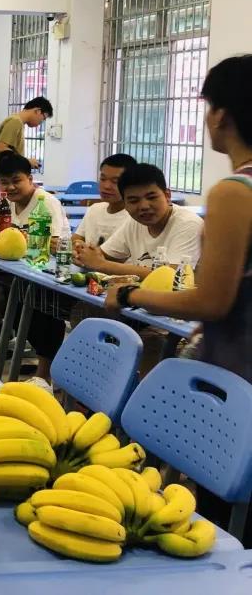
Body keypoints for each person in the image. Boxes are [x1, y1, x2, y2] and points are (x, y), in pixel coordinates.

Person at [103, 56, 252, 546]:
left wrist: (131, 294)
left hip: (239, 376)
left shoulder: (235, 191)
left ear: (221, 115)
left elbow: (213, 301)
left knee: (222, 523)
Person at [0, 152, 71, 384]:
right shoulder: (7, 203)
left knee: (19, 296)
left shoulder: (46, 203)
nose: (11, 187)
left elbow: (53, 243)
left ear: (30, 179)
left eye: (17, 181)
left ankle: (43, 373)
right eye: (5, 183)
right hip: (15, 268)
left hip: (47, 272)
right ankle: (0, 329)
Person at [75, 163, 203, 279]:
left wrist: (102, 264)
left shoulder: (189, 223)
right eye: (133, 201)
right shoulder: (134, 222)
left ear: (167, 196)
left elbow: (173, 276)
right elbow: (102, 255)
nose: (144, 206)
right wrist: (82, 253)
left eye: (151, 197)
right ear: (125, 204)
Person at [0, 97, 52, 198]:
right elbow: (0, 148)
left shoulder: (17, 122)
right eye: (43, 118)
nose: (41, 123)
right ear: (38, 111)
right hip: (4, 182)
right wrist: (27, 161)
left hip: (6, 181)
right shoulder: (15, 122)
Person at [72, 153, 137, 248]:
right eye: (103, 179)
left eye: (115, 181)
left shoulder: (136, 219)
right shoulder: (94, 209)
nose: (106, 186)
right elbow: (74, 241)